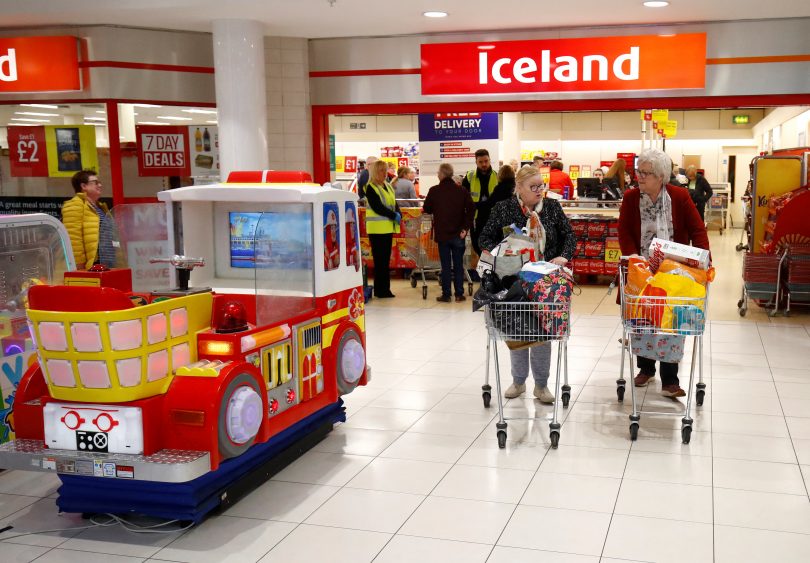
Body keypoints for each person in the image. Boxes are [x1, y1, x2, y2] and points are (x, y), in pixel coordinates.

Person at [479, 165, 576, 403]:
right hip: (514, 280)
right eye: (533, 187)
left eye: (541, 185)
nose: (539, 190)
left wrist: (563, 256)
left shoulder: (552, 207)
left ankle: (541, 385)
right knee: (518, 329)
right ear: (519, 188)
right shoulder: (503, 208)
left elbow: (569, 236)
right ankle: (518, 381)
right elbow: (484, 237)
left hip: (546, 282)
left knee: (542, 332)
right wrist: (501, 253)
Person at [618, 148, 710, 398]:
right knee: (644, 318)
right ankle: (646, 368)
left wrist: (704, 258)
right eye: (638, 171)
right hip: (642, 269)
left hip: (673, 271)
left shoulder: (679, 196)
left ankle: (670, 379)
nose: (639, 176)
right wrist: (632, 258)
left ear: (661, 176)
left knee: (670, 320)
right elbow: (624, 230)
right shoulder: (631, 198)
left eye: (645, 173)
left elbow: (697, 229)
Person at [422, 163, 475, 303]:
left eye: (438, 172)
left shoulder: (434, 190)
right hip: (459, 234)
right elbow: (471, 209)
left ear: (442, 174)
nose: (437, 174)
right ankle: (459, 294)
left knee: (445, 266)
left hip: (442, 234)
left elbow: (427, 208)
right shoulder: (462, 190)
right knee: (458, 265)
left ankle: (446, 294)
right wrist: (465, 228)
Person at [62, 170, 118, 270]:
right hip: (92, 266)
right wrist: (79, 269)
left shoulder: (101, 207)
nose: (100, 185)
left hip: (109, 263)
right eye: (96, 182)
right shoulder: (74, 205)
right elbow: (74, 240)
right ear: (84, 186)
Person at [364, 160, 400, 298]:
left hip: (388, 228)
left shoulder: (388, 186)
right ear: (375, 172)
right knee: (380, 261)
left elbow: (393, 202)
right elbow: (377, 207)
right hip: (376, 229)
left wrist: (398, 212)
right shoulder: (370, 187)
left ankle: (385, 289)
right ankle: (380, 290)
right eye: (382, 171)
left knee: (385, 261)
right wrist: (393, 215)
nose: (385, 173)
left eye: (386, 170)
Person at [462, 148, 498, 255]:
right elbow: (463, 197)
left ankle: (489, 264)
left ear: (490, 160)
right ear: (476, 162)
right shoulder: (470, 177)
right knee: (476, 245)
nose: (484, 164)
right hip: (476, 218)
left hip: (493, 217)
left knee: (493, 246)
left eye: (486, 161)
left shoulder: (497, 176)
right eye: (480, 162)